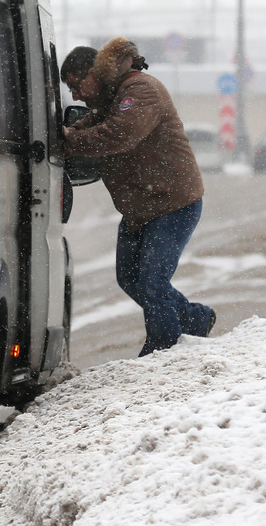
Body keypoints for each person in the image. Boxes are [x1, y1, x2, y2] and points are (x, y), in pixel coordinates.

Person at [59, 38, 215, 358]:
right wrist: (65, 136)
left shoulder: (140, 91)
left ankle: (161, 351)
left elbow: (120, 134)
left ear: (94, 73)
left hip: (171, 203)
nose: (74, 95)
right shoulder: (109, 100)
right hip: (141, 208)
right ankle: (196, 319)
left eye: (76, 84)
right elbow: (85, 127)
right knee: (129, 279)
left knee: (152, 283)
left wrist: (69, 142)